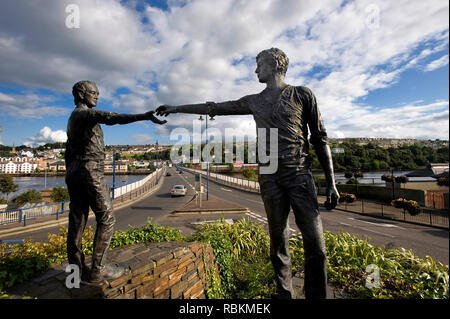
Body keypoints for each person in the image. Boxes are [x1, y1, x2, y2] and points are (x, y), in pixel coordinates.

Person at [156, 48, 339, 299]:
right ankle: (284, 294)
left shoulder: (302, 94)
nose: (255, 70)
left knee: (316, 246)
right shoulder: (254, 101)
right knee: (278, 242)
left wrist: (331, 183)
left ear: (274, 64)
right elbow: (215, 107)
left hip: (299, 173)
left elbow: (320, 138)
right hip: (269, 175)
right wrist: (176, 108)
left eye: (259, 64)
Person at [65, 80, 166, 283]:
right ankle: (98, 270)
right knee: (107, 219)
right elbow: (112, 118)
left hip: (75, 172)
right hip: (90, 170)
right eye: (93, 92)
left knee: (77, 221)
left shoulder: (73, 119)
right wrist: (142, 116)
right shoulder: (85, 114)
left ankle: (75, 272)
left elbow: (69, 151)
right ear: (82, 94)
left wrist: (71, 173)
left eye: (98, 93)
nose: (97, 96)